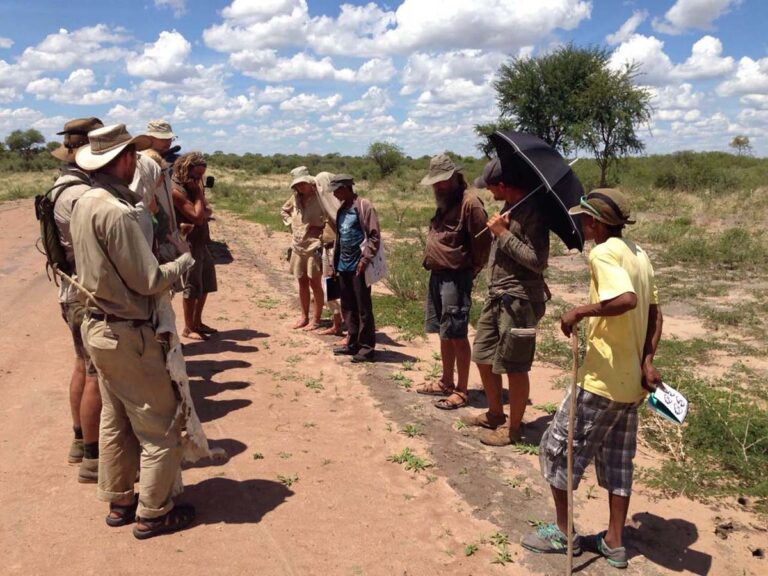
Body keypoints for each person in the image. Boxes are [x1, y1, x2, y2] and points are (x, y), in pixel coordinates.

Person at [522, 188, 662, 570]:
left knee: (556, 449)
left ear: (596, 223)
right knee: (618, 460)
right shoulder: (639, 254)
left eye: (584, 219)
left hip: (602, 380)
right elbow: (655, 313)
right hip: (631, 383)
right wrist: (647, 361)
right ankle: (614, 542)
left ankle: (562, 533)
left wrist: (579, 312)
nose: (582, 225)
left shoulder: (603, 253)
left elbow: (628, 300)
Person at [71, 123, 197, 538]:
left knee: (117, 419)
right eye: (134, 157)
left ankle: (120, 500)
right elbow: (149, 280)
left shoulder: (86, 202)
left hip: (99, 328)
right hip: (128, 332)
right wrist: (184, 261)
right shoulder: (117, 212)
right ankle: (154, 513)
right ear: (123, 159)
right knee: (161, 425)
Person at [464, 157, 550, 446]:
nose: (489, 192)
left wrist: (502, 234)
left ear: (502, 185)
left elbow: (537, 261)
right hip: (497, 296)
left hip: (520, 301)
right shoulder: (509, 208)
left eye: (490, 187)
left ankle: (513, 429)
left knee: (515, 366)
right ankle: (494, 414)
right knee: (482, 355)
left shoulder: (534, 212)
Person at [49, 117, 104, 483]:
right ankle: (93, 459)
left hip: (69, 290)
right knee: (95, 373)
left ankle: (79, 441)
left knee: (81, 366)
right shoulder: (81, 194)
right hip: (87, 293)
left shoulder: (60, 187)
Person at [417, 153, 491, 410]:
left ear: (454, 177)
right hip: (438, 275)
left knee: (458, 334)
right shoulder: (446, 201)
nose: (438, 186)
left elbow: (483, 242)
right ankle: (446, 381)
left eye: (442, 180)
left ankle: (461, 390)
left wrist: (473, 268)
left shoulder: (471, 204)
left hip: (456, 277)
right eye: (435, 182)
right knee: (444, 332)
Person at [330, 174, 381, 363]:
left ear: (345, 188)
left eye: (336, 190)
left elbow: (374, 236)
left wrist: (365, 259)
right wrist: (334, 263)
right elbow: (339, 238)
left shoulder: (364, 206)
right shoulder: (342, 209)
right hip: (343, 265)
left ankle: (366, 349)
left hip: (359, 267)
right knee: (347, 306)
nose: (334, 194)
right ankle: (352, 343)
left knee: (363, 308)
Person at [172, 152, 218, 340]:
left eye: (201, 175)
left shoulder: (194, 185)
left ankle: (197, 322)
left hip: (201, 242)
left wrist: (200, 205)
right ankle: (188, 327)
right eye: (197, 174)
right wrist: (199, 195)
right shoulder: (176, 190)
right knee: (192, 285)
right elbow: (198, 217)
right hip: (188, 244)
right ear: (185, 169)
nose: (199, 179)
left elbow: (208, 210)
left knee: (205, 282)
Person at [280, 167, 326, 331]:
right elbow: (284, 211)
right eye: (297, 185)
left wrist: (321, 229)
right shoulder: (295, 198)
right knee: (302, 282)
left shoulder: (320, 196)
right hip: (298, 245)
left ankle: (316, 319)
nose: (300, 187)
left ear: (309, 182)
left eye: (302, 184)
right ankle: (304, 316)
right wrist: (292, 224)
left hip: (314, 245)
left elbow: (331, 216)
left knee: (315, 283)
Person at [130, 119, 179, 263]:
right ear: (150, 138)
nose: (168, 142)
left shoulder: (166, 162)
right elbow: (142, 198)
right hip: (151, 227)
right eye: (163, 138)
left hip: (166, 228)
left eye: (170, 138)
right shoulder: (141, 162)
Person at [314, 171, 344, 336]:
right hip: (327, 249)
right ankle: (337, 322)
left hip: (337, 250)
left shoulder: (339, 206)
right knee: (329, 288)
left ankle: (348, 326)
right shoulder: (326, 206)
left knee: (342, 288)